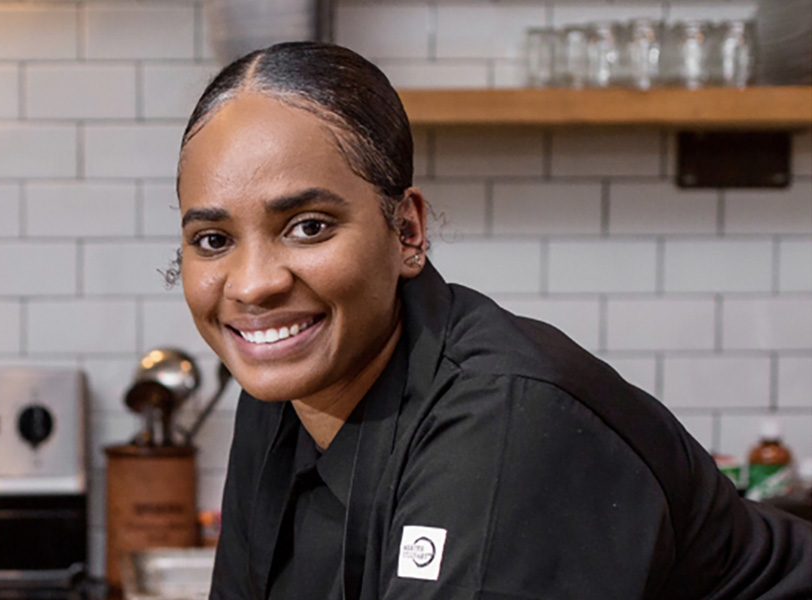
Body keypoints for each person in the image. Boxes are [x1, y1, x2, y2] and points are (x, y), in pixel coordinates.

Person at [173, 42, 812, 600]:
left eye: (308, 227)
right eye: (212, 239)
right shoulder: (286, 387)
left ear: (407, 231)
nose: (256, 284)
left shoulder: (507, 421)